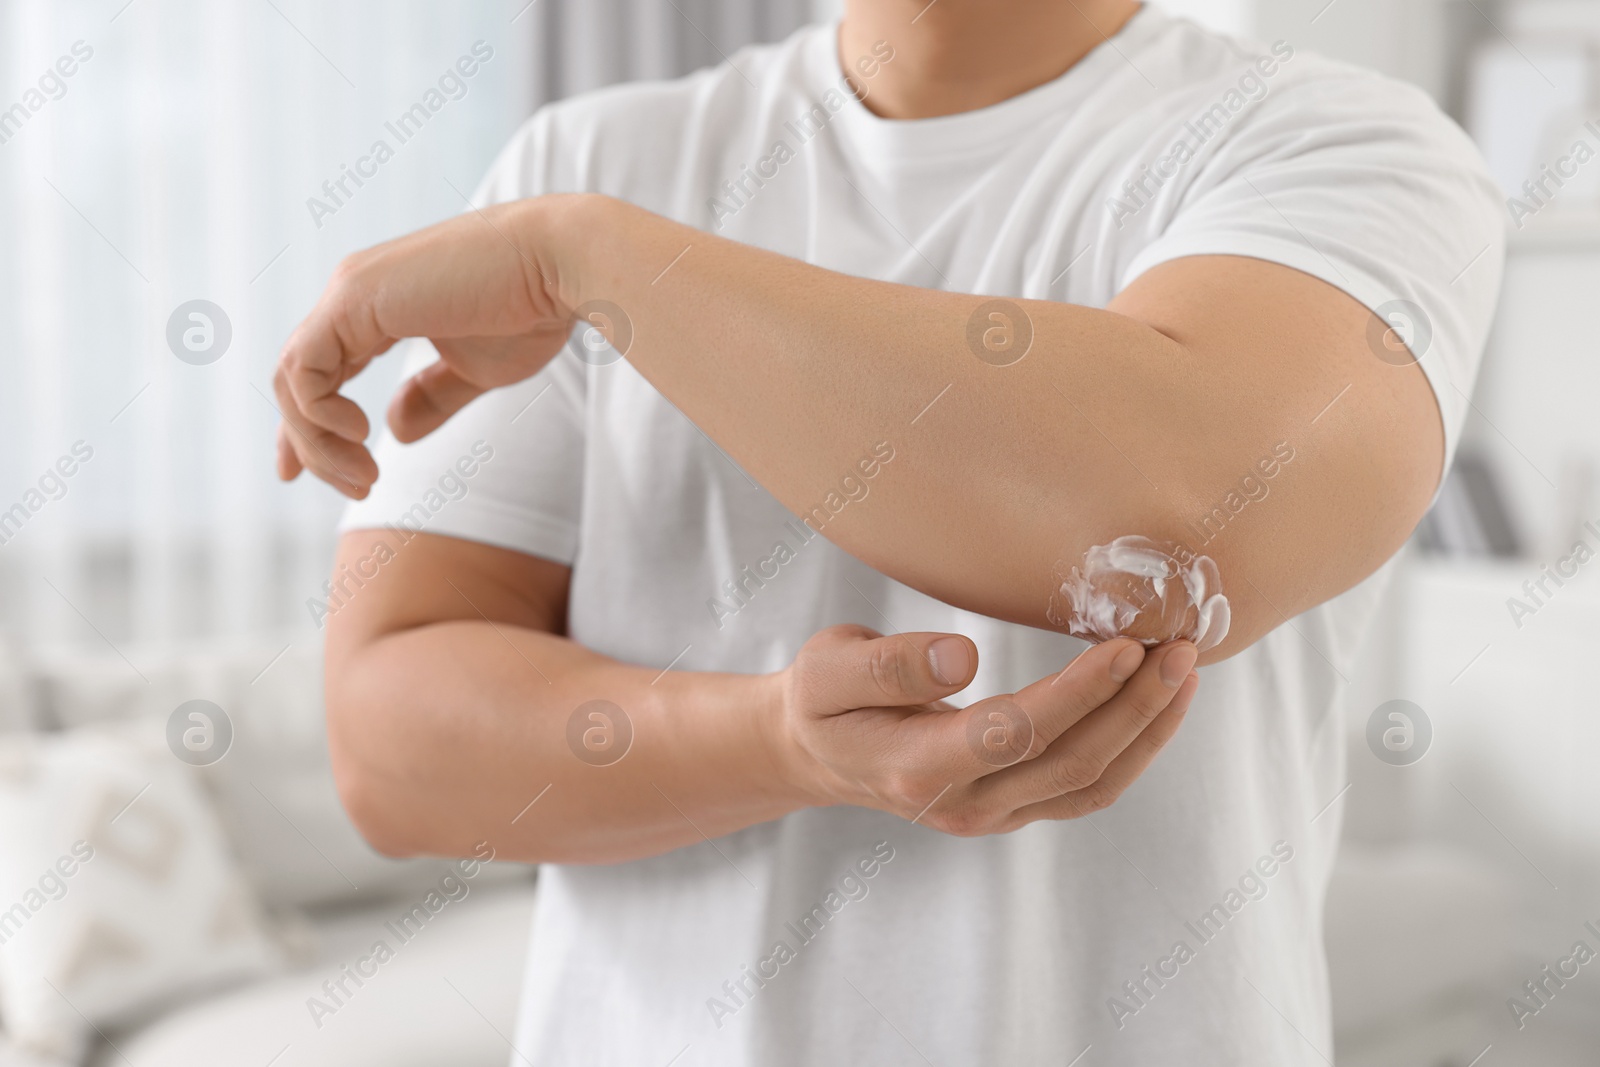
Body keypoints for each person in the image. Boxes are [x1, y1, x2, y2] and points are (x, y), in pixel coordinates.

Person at [272, 0, 1504, 1062]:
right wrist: (776, 743)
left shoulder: (1342, 145)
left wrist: (596, 265)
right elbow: (391, 746)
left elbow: (1163, 525)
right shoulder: (595, 155)